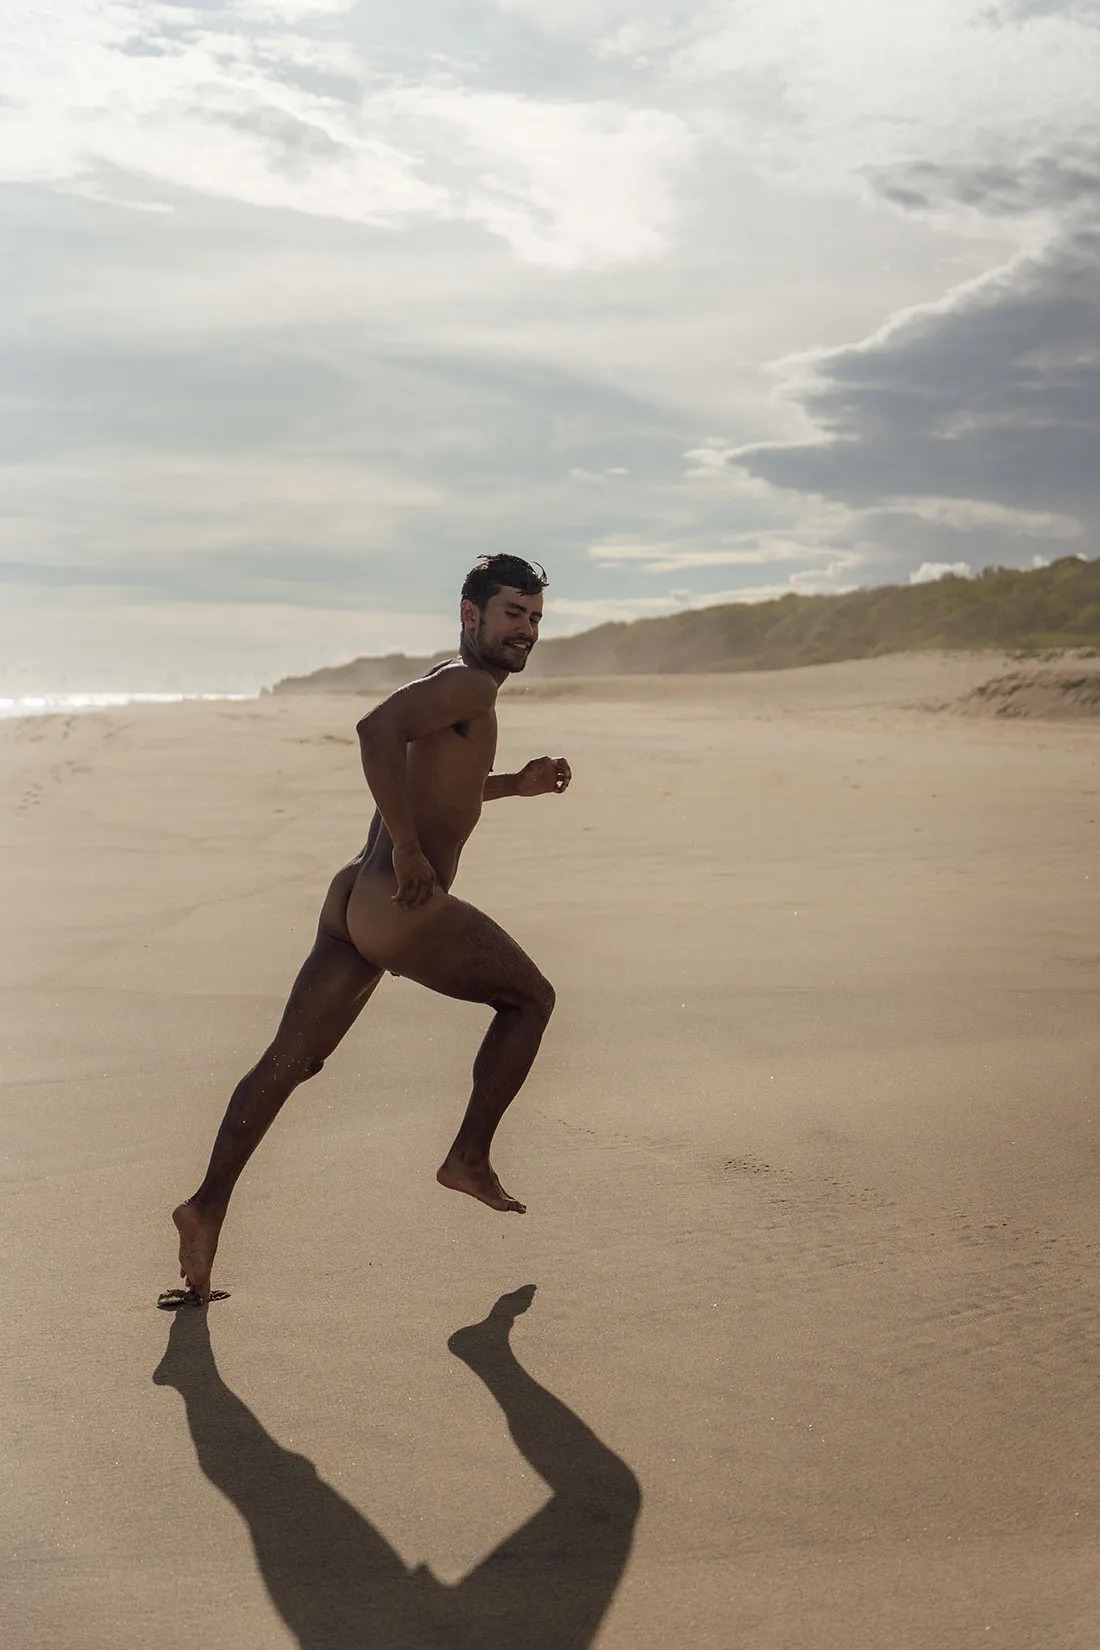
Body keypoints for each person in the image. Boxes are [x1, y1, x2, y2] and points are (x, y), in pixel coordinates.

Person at [172, 554, 570, 1301]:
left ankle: (205, 1208)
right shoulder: (469, 684)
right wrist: (412, 851)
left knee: (290, 1062)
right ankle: (469, 1157)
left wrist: (512, 786)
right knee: (531, 1000)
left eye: (536, 618)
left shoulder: (451, 685)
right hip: (400, 898)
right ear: (471, 614)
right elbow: (374, 729)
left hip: (354, 895)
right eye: (513, 614)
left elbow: (436, 784)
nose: (526, 630)